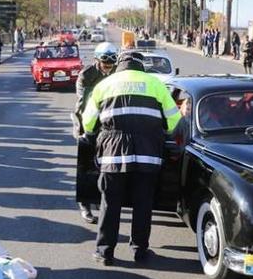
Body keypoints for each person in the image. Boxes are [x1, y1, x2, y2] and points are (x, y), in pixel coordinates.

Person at [82, 53, 181, 265]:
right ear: (140, 66)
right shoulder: (155, 84)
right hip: (148, 155)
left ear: (120, 65)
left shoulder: (105, 84)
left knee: (110, 203)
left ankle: (104, 252)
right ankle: (140, 251)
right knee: (143, 204)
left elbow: (88, 123)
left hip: (113, 155)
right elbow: (174, 121)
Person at [74, 42, 118, 225]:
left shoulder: (117, 73)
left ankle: (101, 198)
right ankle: (85, 203)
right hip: (88, 123)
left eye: (111, 65)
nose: (108, 68)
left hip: (109, 125)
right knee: (86, 167)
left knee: (106, 166)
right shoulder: (86, 75)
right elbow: (83, 104)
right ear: (96, 60)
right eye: (104, 64)